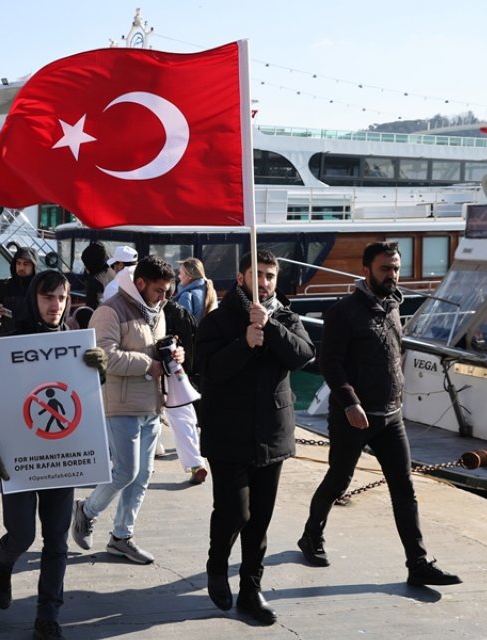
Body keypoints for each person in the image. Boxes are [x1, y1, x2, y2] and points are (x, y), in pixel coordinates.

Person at [298, 242, 462, 587]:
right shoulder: (344, 311)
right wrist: (349, 403)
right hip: (353, 417)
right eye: (385, 269)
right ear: (367, 270)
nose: (392, 275)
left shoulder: (392, 306)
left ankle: (417, 563)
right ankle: (311, 536)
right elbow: (330, 363)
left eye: (396, 268)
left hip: (391, 417)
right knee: (339, 480)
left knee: (404, 489)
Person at [0, 270, 107, 640]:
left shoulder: (75, 343)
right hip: (18, 457)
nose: (55, 305)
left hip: (61, 459)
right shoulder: (10, 342)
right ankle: (2, 565)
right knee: (20, 535)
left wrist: (99, 371)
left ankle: (48, 614)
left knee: (56, 540)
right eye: (48, 297)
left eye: (62, 298)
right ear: (34, 298)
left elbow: (82, 397)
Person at [195, 249, 314, 625]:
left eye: (270, 276)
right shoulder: (218, 321)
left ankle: (251, 589)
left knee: (260, 519)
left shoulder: (285, 316)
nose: (264, 282)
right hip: (229, 433)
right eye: (257, 274)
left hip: (273, 433)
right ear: (242, 276)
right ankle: (217, 564)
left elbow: (304, 355)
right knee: (235, 512)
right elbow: (209, 371)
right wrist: (244, 341)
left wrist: (272, 328)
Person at [70, 255, 181, 565]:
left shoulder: (157, 311)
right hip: (119, 404)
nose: (164, 297)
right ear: (141, 284)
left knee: (143, 474)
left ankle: (122, 536)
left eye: (168, 291)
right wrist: (151, 365)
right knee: (125, 471)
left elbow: (153, 347)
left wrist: (173, 353)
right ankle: (86, 511)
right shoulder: (110, 310)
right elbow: (102, 356)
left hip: (151, 403)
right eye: (160, 290)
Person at [159, 294, 205, 484]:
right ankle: (195, 463)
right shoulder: (179, 311)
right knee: (184, 418)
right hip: (176, 372)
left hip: (153, 372)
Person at [0, 247, 38, 336]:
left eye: (26, 264)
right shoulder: (4, 285)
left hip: (31, 337)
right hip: (6, 335)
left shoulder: (40, 287)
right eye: (18, 263)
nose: (21, 267)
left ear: (33, 266)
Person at [176, 257, 218, 322]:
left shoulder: (186, 296)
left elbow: (184, 327)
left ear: (190, 276)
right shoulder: (211, 291)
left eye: (180, 273)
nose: (178, 276)